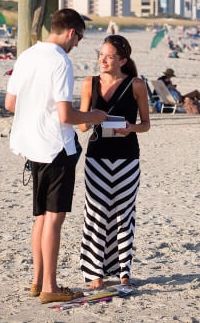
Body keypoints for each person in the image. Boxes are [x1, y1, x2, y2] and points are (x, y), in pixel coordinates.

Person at [5, 8, 108, 303]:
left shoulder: (27, 55)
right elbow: (66, 115)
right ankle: (50, 287)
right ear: (72, 32)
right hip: (56, 148)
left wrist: (37, 112)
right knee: (54, 219)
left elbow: (11, 103)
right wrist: (94, 116)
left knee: (40, 218)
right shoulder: (60, 61)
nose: (77, 44)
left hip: (31, 145)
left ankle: (37, 282)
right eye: (80, 38)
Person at [75, 35, 151, 290]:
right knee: (95, 214)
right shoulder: (89, 83)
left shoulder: (137, 84)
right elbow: (83, 125)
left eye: (109, 56)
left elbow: (146, 124)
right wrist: (92, 118)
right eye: (101, 55)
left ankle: (123, 272)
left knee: (123, 214)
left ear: (123, 60)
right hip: (96, 158)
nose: (103, 60)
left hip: (127, 159)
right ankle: (94, 272)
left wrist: (130, 128)